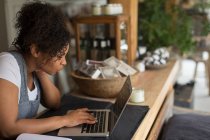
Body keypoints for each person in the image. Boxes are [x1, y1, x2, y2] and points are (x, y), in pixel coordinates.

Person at [0, 1, 96, 139]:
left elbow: (55, 103)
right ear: (36, 50)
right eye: (59, 56)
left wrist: (40, 71)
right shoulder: (7, 64)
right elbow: (8, 129)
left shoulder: (34, 67)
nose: (64, 62)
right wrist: (65, 120)